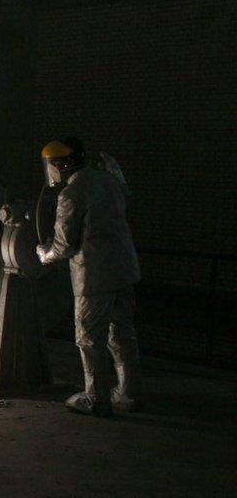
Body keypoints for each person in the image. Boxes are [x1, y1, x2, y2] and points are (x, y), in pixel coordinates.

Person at [37, 138, 142, 416]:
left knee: (89, 339)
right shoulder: (109, 182)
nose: (52, 169)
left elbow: (63, 245)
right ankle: (128, 394)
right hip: (124, 269)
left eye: (53, 164)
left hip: (94, 277)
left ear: (64, 163)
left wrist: (43, 254)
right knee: (122, 335)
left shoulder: (71, 194)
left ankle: (95, 399)